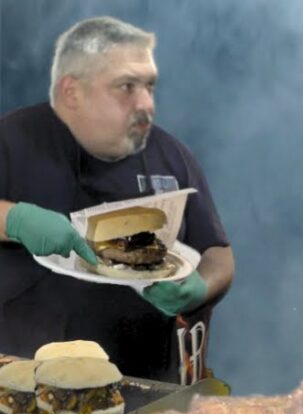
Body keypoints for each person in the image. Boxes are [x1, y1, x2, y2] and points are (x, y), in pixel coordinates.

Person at [0, 16, 234, 384]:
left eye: (149, 86)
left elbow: (218, 253)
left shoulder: (172, 156)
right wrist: (13, 219)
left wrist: (200, 288)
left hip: (152, 388)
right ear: (72, 92)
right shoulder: (12, 139)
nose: (146, 104)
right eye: (127, 86)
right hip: (24, 385)